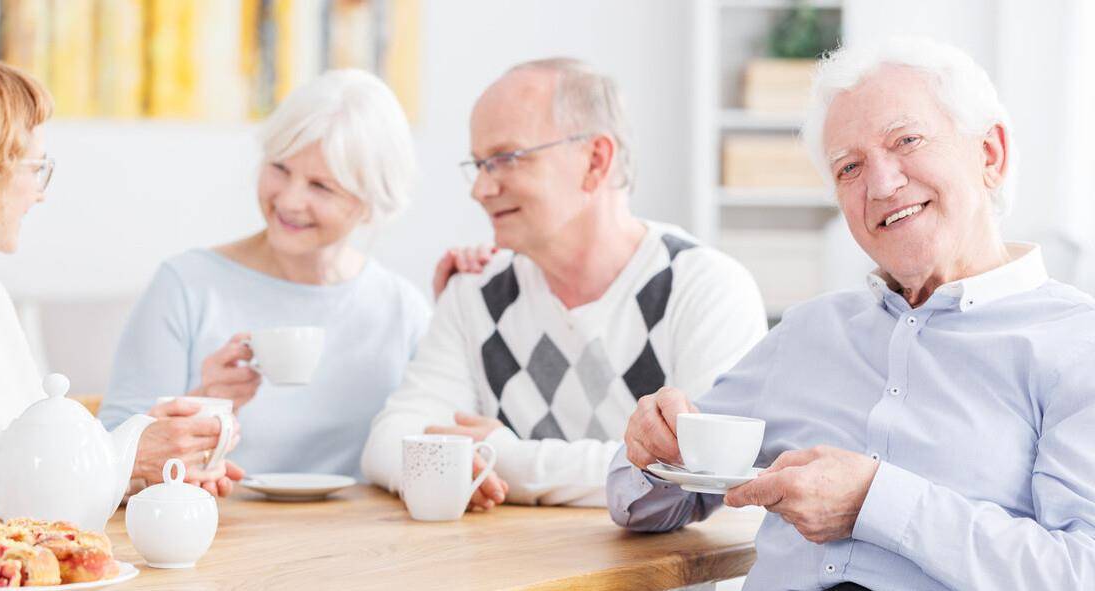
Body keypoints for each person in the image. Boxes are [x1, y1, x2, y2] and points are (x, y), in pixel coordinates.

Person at [610, 37, 1095, 591]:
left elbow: (1081, 571)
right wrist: (654, 449)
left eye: (906, 140)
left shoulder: (1078, 344)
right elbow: (637, 503)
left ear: (990, 154)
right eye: (850, 167)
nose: (882, 185)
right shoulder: (807, 332)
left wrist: (877, 500)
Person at [361, 58, 767, 509]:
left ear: (595, 161)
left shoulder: (706, 289)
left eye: (504, 159)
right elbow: (390, 441)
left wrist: (511, 461)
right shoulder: (475, 291)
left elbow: (704, 477)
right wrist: (439, 468)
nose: (480, 189)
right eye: (478, 164)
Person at [0, 55, 230, 522]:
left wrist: (146, 470)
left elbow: (42, 448)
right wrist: (123, 454)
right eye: (35, 167)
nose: (41, 191)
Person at [99, 69, 429, 481]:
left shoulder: (402, 309)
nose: (290, 200)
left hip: (367, 538)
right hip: (219, 534)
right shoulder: (186, 285)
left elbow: (432, 445)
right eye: (280, 168)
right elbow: (106, 454)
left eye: (321, 187)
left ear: (371, 202)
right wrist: (206, 404)